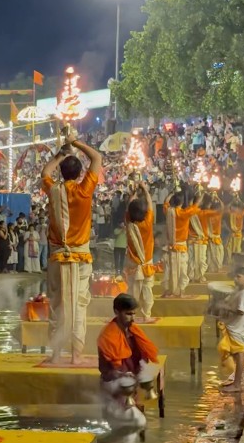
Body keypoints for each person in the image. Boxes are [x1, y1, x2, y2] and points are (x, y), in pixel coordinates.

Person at [42, 135, 103, 363]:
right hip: (81, 257)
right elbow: (96, 157)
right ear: (80, 174)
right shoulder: (85, 189)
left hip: (58, 257)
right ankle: (76, 355)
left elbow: (45, 173)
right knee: (78, 304)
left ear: (62, 173)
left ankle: (56, 353)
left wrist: (61, 152)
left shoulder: (53, 190)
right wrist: (76, 143)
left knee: (57, 303)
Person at [96, 293, 160, 428]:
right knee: (137, 422)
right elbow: (106, 372)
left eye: (134, 314)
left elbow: (142, 357)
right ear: (116, 312)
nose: (132, 318)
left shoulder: (135, 331)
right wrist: (122, 375)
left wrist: (144, 371)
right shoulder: (107, 336)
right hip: (113, 387)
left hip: (130, 387)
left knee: (132, 429)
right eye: (128, 314)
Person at [124, 179, 158, 323]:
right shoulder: (147, 222)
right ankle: (146, 315)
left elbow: (128, 209)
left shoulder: (129, 223)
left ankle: (130, 314)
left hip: (133, 261)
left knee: (132, 289)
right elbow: (150, 204)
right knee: (147, 289)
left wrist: (133, 194)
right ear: (145, 212)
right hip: (147, 261)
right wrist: (145, 189)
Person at [214, 268, 244, 393]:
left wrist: (225, 308)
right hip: (234, 326)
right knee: (234, 354)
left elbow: (240, 311)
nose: (236, 279)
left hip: (238, 328)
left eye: (239, 277)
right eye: (235, 276)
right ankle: (234, 378)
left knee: (238, 354)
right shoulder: (239, 291)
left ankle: (237, 384)